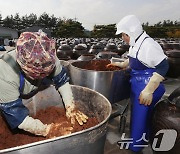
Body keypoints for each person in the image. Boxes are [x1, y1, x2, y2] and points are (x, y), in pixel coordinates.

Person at [0, 30, 88, 137]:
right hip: (7, 98)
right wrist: (47, 130)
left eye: (45, 72)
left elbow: (61, 80)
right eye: (36, 73)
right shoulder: (5, 74)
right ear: (23, 65)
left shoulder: (47, 54)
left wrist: (70, 106)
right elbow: (17, 116)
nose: (41, 75)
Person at [108, 15, 169, 152]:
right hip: (139, 82)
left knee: (138, 118)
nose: (123, 37)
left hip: (147, 84)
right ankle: (143, 138)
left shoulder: (149, 45)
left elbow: (164, 66)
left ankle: (135, 147)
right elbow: (133, 61)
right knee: (145, 116)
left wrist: (149, 90)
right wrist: (119, 64)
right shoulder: (136, 43)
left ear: (132, 32)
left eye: (124, 34)